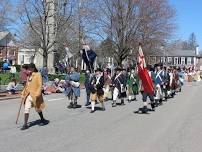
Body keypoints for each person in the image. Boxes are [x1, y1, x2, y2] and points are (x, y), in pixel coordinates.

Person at [21, 63, 49, 130]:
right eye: (28, 69)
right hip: (28, 95)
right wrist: (23, 93)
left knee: (38, 108)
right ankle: (25, 124)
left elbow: (40, 85)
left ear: (33, 68)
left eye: (29, 69)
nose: (28, 70)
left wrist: (38, 93)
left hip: (35, 95)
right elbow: (27, 86)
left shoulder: (38, 74)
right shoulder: (28, 76)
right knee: (26, 108)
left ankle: (42, 119)